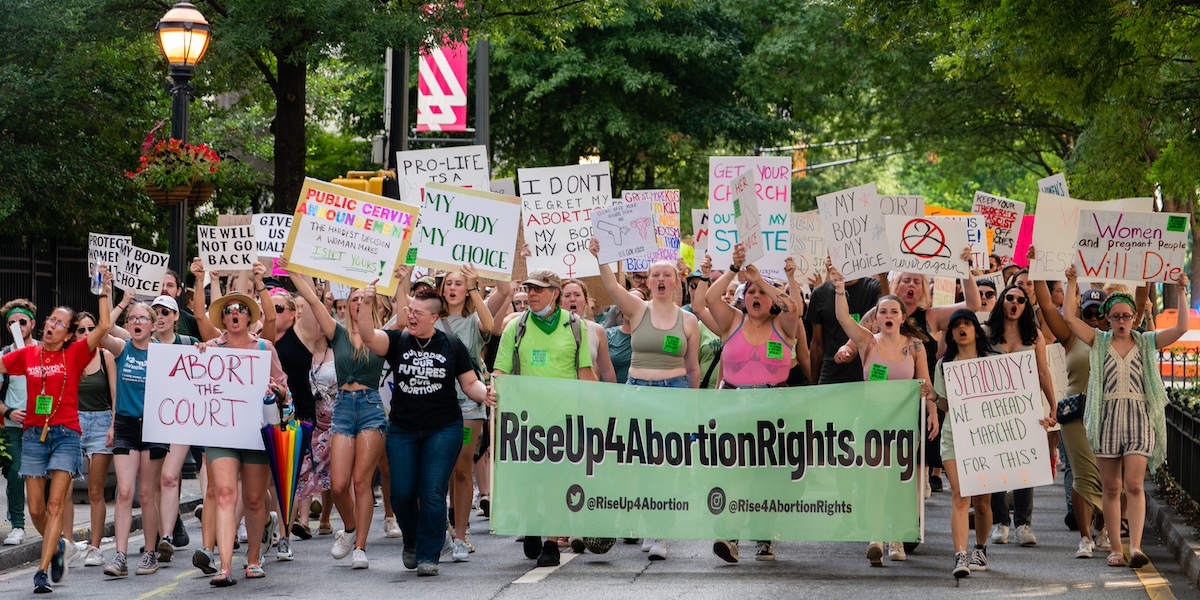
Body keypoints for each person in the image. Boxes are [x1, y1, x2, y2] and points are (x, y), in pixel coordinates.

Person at [1062, 265, 1189, 568]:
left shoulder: (1145, 342)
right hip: (1107, 418)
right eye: (1116, 316)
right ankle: (1115, 548)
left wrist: (1182, 291)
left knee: (1133, 484)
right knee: (1111, 486)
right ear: (1108, 318)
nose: (1121, 322)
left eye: (1127, 316)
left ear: (1135, 317)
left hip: (1138, 418)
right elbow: (1068, 317)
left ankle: (1135, 547)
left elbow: (1180, 328)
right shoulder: (1099, 341)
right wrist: (1071, 283)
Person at [359, 283, 488, 576]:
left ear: (433, 317)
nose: (411, 316)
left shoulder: (452, 344)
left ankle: (429, 553)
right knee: (402, 493)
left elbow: (470, 384)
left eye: (417, 312)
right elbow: (368, 337)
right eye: (409, 311)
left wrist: (485, 394)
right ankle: (413, 540)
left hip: (442, 428)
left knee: (431, 491)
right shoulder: (398, 341)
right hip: (403, 430)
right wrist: (367, 302)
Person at [591, 237, 701, 561]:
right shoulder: (638, 310)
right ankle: (647, 520)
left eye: (668, 274)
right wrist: (601, 256)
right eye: (656, 275)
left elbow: (693, 367)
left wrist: (692, 407)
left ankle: (660, 531)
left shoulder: (689, 321)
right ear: (647, 281)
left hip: (673, 395)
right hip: (637, 394)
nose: (661, 280)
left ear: (676, 280)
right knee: (639, 464)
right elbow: (611, 286)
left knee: (665, 466)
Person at [0, 273, 110, 593]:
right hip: (34, 434)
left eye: (60, 323)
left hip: (67, 436)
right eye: (50, 319)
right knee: (35, 508)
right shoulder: (28, 355)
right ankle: (60, 546)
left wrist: (104, 294)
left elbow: (102, 328)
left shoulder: (76, 354)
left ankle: (42, 570)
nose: (51, 324)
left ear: (68, 334)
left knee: (54, 506)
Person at [827, 260, 938, 565]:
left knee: (900, 483)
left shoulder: (915, 346)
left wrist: (933, 410)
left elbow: (926, 384)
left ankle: (897, 540)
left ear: (903, 317)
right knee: (875, 482)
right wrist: (839, 289)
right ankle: (876, 536)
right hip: (872, 420)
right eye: (883, 312)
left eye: (894, 311)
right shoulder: (867, 342)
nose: (888, 316)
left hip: (904, 423)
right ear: (875, 319)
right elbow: (842, 318)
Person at [695, 246, 799, 563]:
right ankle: (729, 535)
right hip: (734, 409)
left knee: (767, 478)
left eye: (761, 293)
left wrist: (764, 281)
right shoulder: (732, 322)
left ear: (770, 299)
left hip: (773, 412)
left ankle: (764, 539)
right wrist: (733, 267)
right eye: (750, 291)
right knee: (735, 474)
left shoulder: (783, 326)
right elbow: (710, 300)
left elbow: (793, 308)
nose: (756, 296)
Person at [189, 259, 289, 586]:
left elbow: (283, 386)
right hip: (221, 432)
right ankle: (225, 566)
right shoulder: (210, 349)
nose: (234, 313)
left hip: (256, 433)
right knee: (226, 493)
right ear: (224, 317)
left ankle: (254, 557)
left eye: (240, 309)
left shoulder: (265, 347)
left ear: (248, 316)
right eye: (229, 309)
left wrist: (277, 389)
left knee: (255, 499)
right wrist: (200, 359)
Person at [282, 258, 387, 570]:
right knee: (338, 485)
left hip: (370, 409)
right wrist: (293, 273)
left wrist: (400, 280)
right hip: (342, 410)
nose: (357, 303)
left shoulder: (382, 335)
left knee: (360, 482)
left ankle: (360, 547)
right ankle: (350, 528)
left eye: (363, 299)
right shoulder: (338, 333)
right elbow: (313, 301)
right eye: (353, 299)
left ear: (372, 304)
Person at [488, 268, 595, 568]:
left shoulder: (575, 326)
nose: (531, 294)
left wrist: (599, 408)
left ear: (554, 293)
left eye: (538, 289)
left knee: (556, 481)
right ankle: (533, 522)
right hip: (525, 421)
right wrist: (493, 390)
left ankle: (550, 542)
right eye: (528, 289)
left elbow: (584, 372)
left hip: (563, 420)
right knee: (528, 481)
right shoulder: (515, 327)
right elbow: (501, 371)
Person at [1030, 253, 1108, 559]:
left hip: (1109, 412)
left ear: (1107, 315)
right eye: (1086, 313)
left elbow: (1138, 309)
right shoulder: (1070, 337)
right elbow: (1048, 306)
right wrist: (1039, 268)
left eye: (1097, 314)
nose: (1091, 319)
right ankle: (1085, 537)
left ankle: (1104, 529)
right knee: (1082, 475)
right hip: (1076, 413)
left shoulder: (1116, 338)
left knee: (1112, 476)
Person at [984, 282, 1058, 548]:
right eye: (1010, 297)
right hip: (993, 411)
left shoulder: (1035, 335)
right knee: (996, 465)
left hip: (1025, 409)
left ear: (1026, 306)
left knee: (1024, 466)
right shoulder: (986, 333)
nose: (1015, 302)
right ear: (1002, 301)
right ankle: (1000, 522)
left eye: (1021, 299)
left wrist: (1053, 404)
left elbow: (1042, 372)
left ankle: (1024, 524)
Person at [100, 300, 170, 577]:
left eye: (143, 318)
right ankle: (120, 556)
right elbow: (103, 331)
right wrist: (116, 302)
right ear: (128, 325)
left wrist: (202, 347)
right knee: (125, 491)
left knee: (146, 493)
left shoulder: (165, 353)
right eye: (132, 318)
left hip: (155, 426)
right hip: (126, 425)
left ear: (153, 325)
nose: (137, 322)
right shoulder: (122, 348)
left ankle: (149, 553)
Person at [932, 309, 996, 577]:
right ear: (952, 334)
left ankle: (980, 548)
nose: (962, 329)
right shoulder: (943, 365)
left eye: (967, 324)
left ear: (975, 330)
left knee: (982, 502)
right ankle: (960, 555)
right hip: (954, 436)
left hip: (985, 437)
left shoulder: (993, 362)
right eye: (956, 325)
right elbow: (945, 405)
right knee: (961, 496)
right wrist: (934, 398)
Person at [75, 311, 116, 567]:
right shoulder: (69, 357)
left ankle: (95, 547)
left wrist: (114, 425)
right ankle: (67, 543)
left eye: (92, 328)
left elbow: (115, 395)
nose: (87, 333)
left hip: (101, 422)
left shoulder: (106, 356)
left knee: (95, 490)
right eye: (81, 329)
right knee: (63, 489)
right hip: (72, 422)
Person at [2, 298, 38, 548]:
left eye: (22, 321)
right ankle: (17, 525)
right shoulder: (4, 356)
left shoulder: (44, 351)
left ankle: (49, 524)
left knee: (41, 476)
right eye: (12, 322)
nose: (18, 325)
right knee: (15, 473)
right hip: (13, 427)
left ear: (32, 324)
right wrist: (8, 412)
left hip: (40, 426)